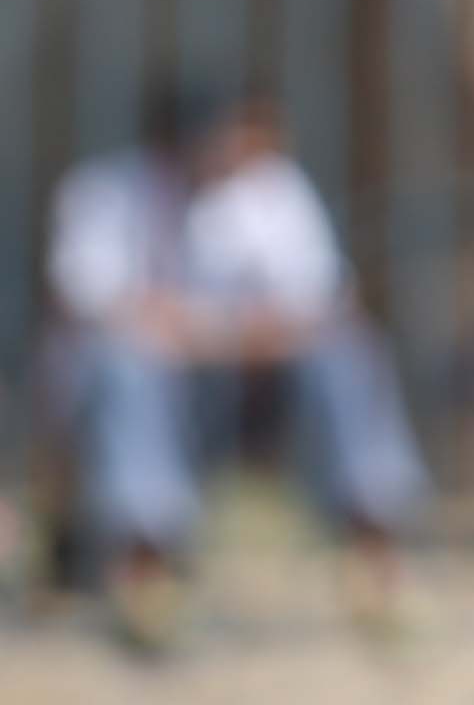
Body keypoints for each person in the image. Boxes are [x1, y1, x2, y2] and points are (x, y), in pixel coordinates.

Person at [41, 86, 427, 649]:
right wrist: (237, 330)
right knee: (128, 368)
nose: (242, 162)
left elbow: (322, 305)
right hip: (140, 402)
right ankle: (146, 574)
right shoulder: (104, 193)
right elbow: (96, 312)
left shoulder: (269, 188)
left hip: (248, 392)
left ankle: (377, 561)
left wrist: (199, 331)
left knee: (348, 354)